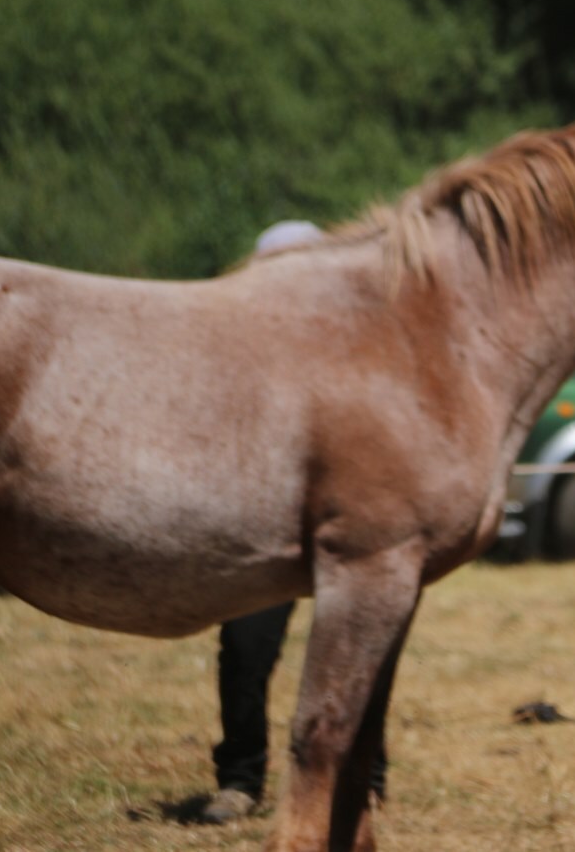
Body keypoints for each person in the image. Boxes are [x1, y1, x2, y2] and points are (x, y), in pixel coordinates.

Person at [202, 220, 389, 824]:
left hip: (349, 530)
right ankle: (240, 779)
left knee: (362, 652)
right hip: (266, 532)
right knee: (244, 649)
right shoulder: (232, 360)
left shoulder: (364, 352)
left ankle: (366, 777)